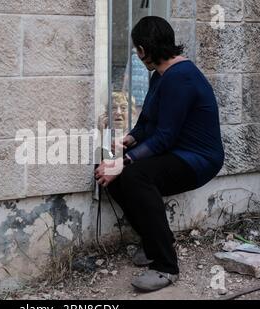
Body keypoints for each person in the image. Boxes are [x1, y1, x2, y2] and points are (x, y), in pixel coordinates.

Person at [95, 16, 224, 292]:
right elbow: (148, 123)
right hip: (176, 150)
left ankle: (166, 266)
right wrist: (129, 140)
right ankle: (156, 242)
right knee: (113, 176)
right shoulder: (161, 75)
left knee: (135, 176)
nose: (138, 57)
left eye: (138, 51)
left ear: (143, 50)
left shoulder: (182, 77)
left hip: (198, 159)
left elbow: (165, 136)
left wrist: (125, 161)